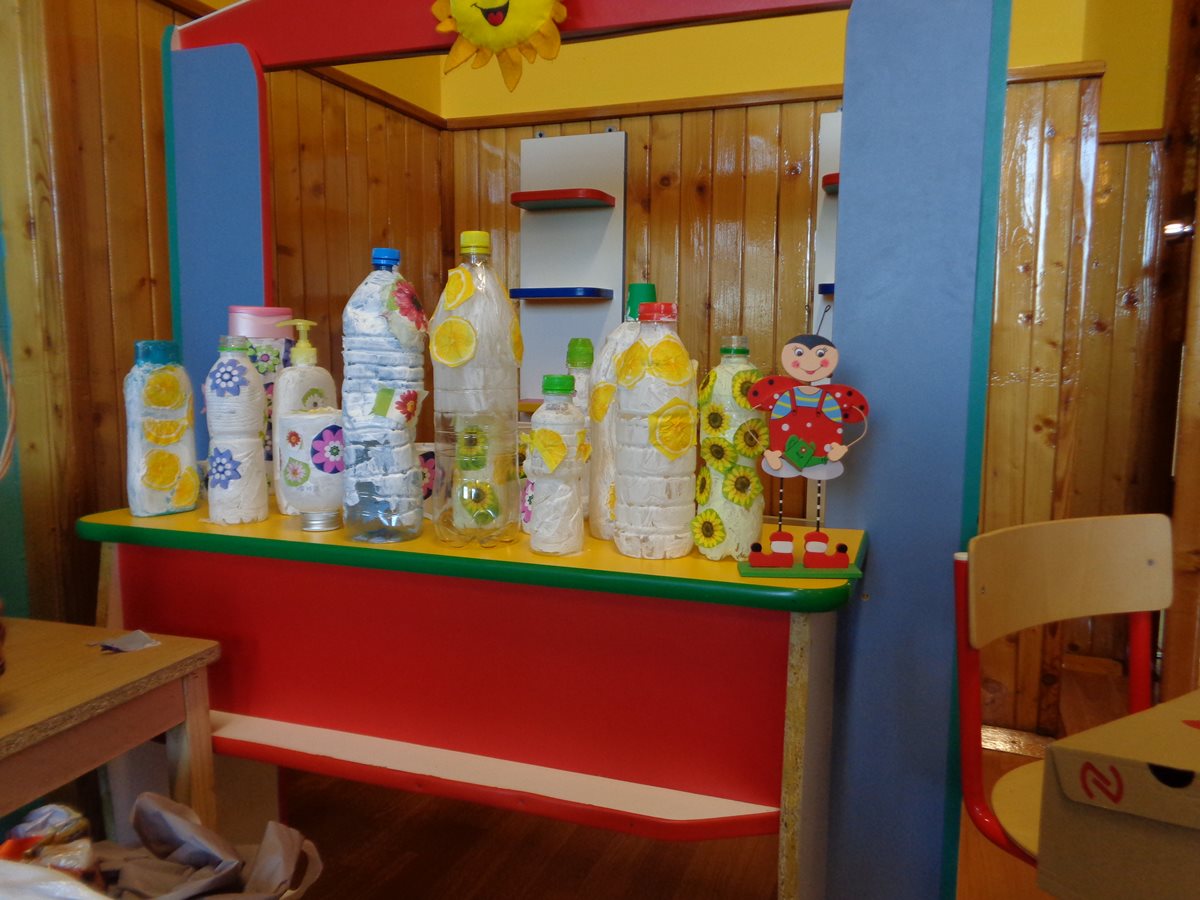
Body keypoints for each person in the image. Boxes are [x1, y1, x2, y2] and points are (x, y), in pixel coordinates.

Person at [747, 334, 869, 480]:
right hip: (785, 453)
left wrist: (838, 448)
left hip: (821, 454)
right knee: (782, 459)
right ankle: (774, 456)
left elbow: (846, 416)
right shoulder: (786, 397)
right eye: (799, 353)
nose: (810, 362)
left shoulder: (828, 400)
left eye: (820, 354)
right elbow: (767, 407)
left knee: (824, 463)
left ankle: (828, 455)